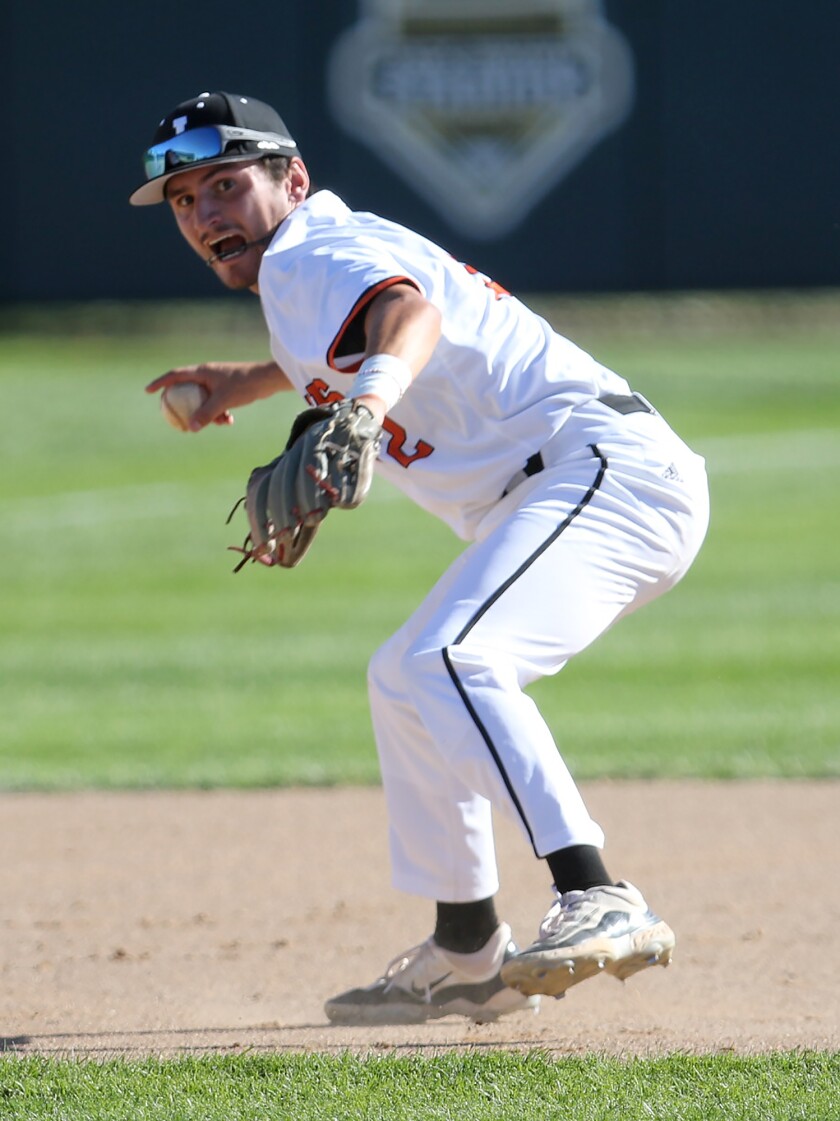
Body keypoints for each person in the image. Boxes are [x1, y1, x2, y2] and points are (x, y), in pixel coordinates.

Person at [132, 91, 710, 1026]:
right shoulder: (307, 259)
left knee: (452, 655)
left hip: (600, 472)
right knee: (403, 677)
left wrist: (363, 409)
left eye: (225, 185)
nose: (205, 217)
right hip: (577, 480)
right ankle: (467, 949)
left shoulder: (312, 254)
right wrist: (253, 377)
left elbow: (406, 312)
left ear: (293, 180)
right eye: (186, 202)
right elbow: (354, 324)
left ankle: (596, 891)